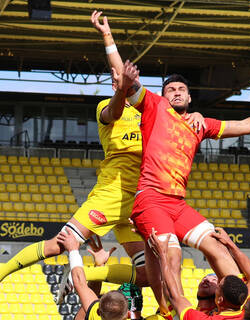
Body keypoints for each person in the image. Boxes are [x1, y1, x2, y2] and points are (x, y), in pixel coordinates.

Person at [0, 11, 205, 300]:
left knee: (148, 274)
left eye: (122, 79)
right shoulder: (106, 109)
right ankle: (2, 272)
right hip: (112, 193)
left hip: (141, 201)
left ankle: (86, 275)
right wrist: (107, 38)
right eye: (115, 79)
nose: (118, 82)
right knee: (62, 242)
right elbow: (116, 109)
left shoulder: (153, 113)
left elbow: (181, 117)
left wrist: (194, 113)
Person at [122, 55, 250, 315]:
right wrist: (109, 41)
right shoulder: (154, 108)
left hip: (177, 204)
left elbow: (245, 125)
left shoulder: (199, 124)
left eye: (182, 89)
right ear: (164, 96)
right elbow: (129, 83)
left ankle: (242, 309)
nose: (177, 92)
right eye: (171, 89)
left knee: (217, 245)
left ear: (190, 98)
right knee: (172, 255)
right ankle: (170, 310)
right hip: (151, 197)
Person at [149, 227, 250, 320]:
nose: (208, 280)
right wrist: (230, 244)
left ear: (220, 299)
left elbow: (174, 296)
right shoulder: (248, 313)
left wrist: (162, 255)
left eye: (217, 284)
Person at [57, 228, 130, 320]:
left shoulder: (94, 315)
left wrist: (73, 250)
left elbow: (80, 283)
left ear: (98, 311)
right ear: (128, 314)